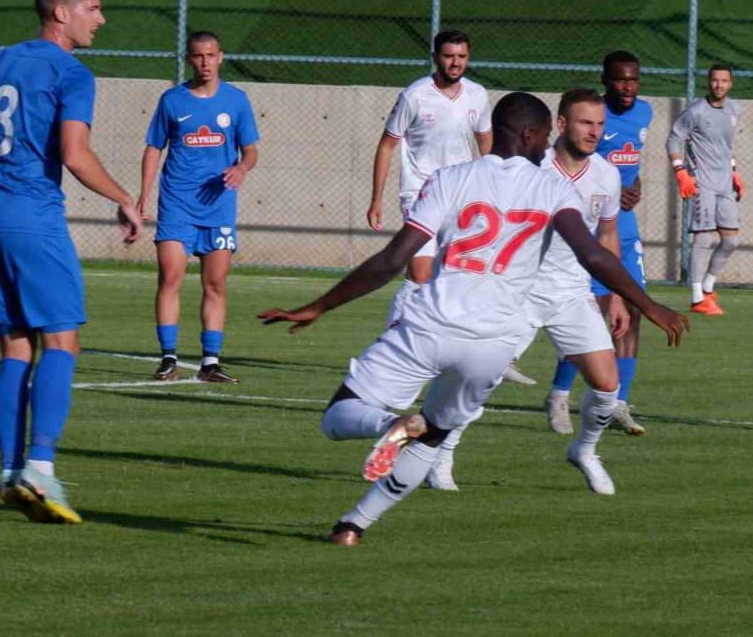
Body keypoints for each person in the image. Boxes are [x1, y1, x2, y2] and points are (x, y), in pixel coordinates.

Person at [259, 92, 689, 546]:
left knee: (339, 417)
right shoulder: (552, 188)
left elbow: (392, 259)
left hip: (429, 325)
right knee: (434, 433)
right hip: (491, 344)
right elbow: (591, 255)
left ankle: (386, 425)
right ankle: (354, 525)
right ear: (528, 135)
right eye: (544, 134)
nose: (548, 144)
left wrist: (320, 305)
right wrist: (648, 303)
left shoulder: (451, 178)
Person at [0, 0, 144, 524]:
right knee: (61, 343)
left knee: (15, 349)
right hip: (32, 218)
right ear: (62, 13)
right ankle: (42, 467)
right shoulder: (71, 72)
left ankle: (11, 473)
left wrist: (9, 146)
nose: (100, 19)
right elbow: (75, 156)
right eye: (93, 9)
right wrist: (124, 197)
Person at [426, 89, 629, 490]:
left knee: (607, 385)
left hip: (571, 293)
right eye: (586, 123)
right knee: (481, 377)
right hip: (520, 292)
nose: (595, 132)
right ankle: (442, 452)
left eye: (600, 125)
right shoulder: (532, 167)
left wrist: (616, 294)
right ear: (561, 124)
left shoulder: (607, 175)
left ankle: (585, 450)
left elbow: (607, 234)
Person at [137, 30, 259, 384]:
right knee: (171, 276)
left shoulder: (236, 101)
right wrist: (143, 194)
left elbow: (250, 150)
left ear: (221, 56)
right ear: (189, 59)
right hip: (177, 204)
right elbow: (153, 148)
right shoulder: (172, 100)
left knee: (216, 284)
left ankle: (210, 362)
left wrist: (241, 167)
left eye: (211, 55)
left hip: (218, 208)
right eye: (198, 56)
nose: (205, 62)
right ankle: (168, 358)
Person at [543, 50, 652, 434]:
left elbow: (629, 167)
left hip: (621, 226)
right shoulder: (591, 118)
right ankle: (559, 394)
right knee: (590, 310)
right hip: (583, 225)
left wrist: (633, 186)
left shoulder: (645, 113)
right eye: (621, 80)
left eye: (634, 79)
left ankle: (618, 402)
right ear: (606, 81)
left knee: (632, 309)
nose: (629, 87)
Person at [366, 30, 495, 330]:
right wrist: (376, 199)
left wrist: (492, 186)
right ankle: (389, 345)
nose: (455, 63)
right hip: (420, 194)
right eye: (449, 56)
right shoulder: (415, 95)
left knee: (461, 276)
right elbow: (387, 145)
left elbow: (486, 143)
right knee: (420, 274)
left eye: (461, 57)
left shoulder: (477, 94)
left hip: (463, 195)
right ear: (436, 57)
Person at [667, 64, 744, 316]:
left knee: (731, 241)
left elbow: (727, 146)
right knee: (703, 239)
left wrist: (734, 172)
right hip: (702, 183)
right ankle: (697, 298)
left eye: (723, 81)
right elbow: (673, 139)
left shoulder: (734, 110)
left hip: (725, 183)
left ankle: (709, 286)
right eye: (714, 80)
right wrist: (681, 172)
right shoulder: (696, 111)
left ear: (730, 84)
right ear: (708, 82)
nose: (718, 85)